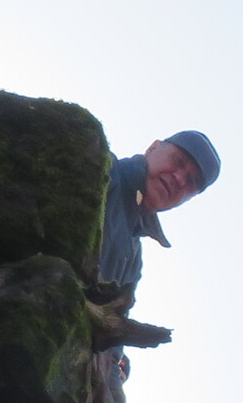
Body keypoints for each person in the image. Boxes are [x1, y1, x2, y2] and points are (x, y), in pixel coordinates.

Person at [90, 130, 221, 307]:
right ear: (153, 148)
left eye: (191, 181)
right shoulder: (101, 168)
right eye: (178, 161)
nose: (179, 179)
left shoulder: (133, 261)